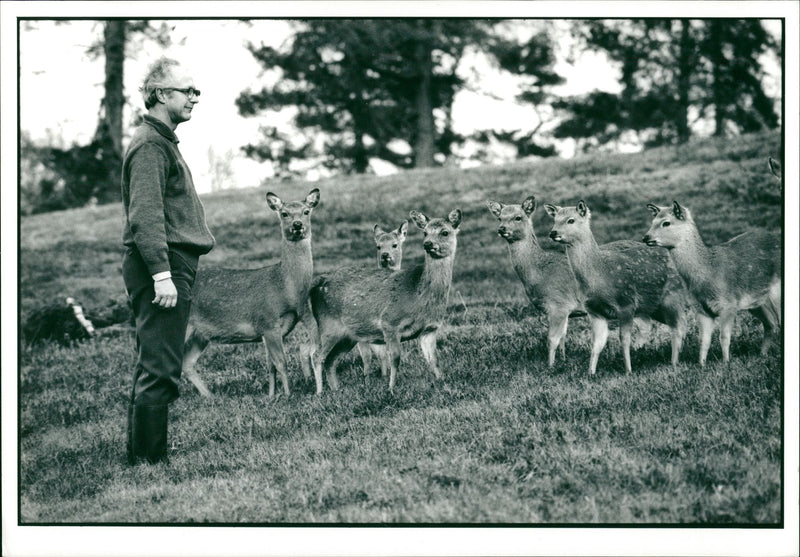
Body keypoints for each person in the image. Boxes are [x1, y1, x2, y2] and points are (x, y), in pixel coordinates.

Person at [121, 57, 215, 464]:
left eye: (196, 91)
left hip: (172, 263)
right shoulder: (150, 145)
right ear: (161, 94)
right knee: (161, 364)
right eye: (188, 90)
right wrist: (162, 275)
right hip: (163, 265)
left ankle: (141, 457)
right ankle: (149, 463)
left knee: (154, 360)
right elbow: (145, 217)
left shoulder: (161, 142)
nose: (196, 97)